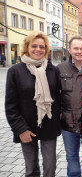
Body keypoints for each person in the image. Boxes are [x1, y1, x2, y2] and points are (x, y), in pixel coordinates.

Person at [5, 31, 61, 177]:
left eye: (42, 47)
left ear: (46, 49)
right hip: (26, 127)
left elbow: (58, 98)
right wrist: (20, 129)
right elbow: (10, 105)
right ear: (27, 48)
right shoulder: (15, 71)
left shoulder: (52, 70)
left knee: (50, 167)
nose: (38, 49)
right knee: (31, 169)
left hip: (48, 125)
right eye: (34, 46)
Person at [57, 36, 82, 177]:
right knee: (71, 158)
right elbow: (55, 96)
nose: (79, 51)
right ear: (70, 50)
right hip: (68, 122)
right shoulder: (60, 68)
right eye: (76, 48)